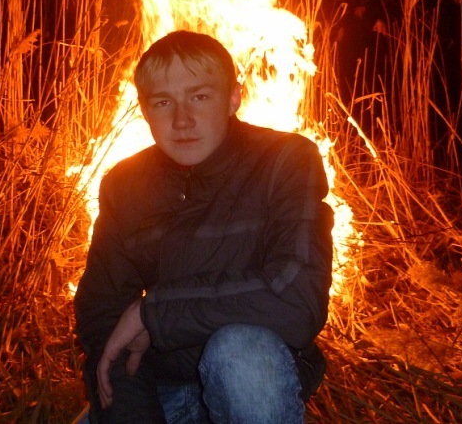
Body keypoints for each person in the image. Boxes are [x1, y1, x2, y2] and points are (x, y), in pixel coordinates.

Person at [74, 30, 334, 424]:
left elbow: (297, 299)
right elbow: (104, 317)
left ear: (233, 98)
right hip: (162, 387)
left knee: (239, 346)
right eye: (163, 102)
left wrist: (153, 312)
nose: (182, 121)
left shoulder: (285, 160)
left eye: (199, 97)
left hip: (250, 384)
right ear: (143, 109)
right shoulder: (125, 184)